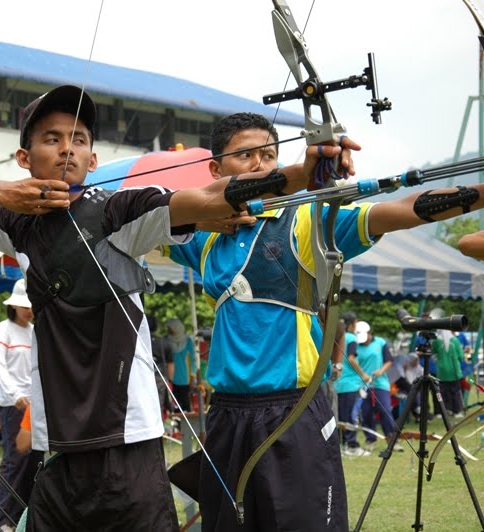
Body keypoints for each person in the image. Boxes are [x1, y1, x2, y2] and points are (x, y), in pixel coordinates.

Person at [0, 85, 340, 531]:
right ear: (25, 158)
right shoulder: (17, 223)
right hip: (57, 441)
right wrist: (7, 194)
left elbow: (210, 197)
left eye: (79, 140)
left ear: (93, 160)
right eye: (52, 139)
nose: (67, 150)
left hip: (128, 441)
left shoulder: (121, 210)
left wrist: (299, 174)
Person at [163, 111, 484, 531]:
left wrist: (478, 193)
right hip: (227, 416)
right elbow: (147, 219)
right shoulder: (204, 237)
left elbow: (400, 210)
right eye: (246, 156)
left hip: (292, 412)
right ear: (215, 168)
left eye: (270, 155)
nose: (261, 164)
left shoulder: (306, 222)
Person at [0, 279, 35, 530]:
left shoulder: (35, 331)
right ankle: (4, 518)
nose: (29, 310)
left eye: (31, 305)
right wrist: (15, 394)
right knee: (13, 460)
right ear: (14, 306)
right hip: (13, 405)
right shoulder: (3, 329)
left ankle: (25, 516)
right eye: (23, 305)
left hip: (35, 405)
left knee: (32, 461)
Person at [352, 321, 400, 452]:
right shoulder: (356, 346)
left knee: (385, 411)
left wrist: (380, 371)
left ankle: (392, 441)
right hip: (363, 385)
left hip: (380, 383)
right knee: (366, 413)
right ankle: (370, 440)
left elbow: (389, 360)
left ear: (369, 333)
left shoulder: (380, 342)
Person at [335, 312, 369, 456]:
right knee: (352, 416)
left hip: (338, 384)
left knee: (341, 416)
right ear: (352, 324)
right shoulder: (352, 338)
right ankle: (352, 446)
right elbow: (351, 359)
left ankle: (342, 446)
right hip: (351, 384)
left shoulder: (338, 337)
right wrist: (364, 375)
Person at [431, 311, 466, 418]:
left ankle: (445, 410)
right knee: (455, 392)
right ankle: (457, 411)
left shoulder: (437, 341)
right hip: (454, 370)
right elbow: (460, 356)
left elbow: (433, 352)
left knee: (442, 393)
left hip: (441, 371)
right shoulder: (455, 341)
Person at [166, 319, 197, 412]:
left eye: (170, 329)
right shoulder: (166, 341)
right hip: (171, 378)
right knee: (175, 405)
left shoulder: (188, 341)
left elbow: (193, 360)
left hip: (185, 378)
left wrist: (193, 377)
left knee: (186, 405)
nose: (168, 331)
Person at [147, 315, 172, 414]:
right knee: (158, 406)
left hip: (143, 377)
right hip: (160, 377)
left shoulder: (138, 341)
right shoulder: (163, 342)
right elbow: (170, 364)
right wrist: (170, 380)